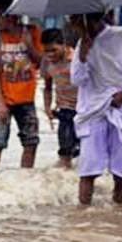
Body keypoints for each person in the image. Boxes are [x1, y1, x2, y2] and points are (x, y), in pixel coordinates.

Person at [69, 12, 122, 205]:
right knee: (88, 171)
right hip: (93, 112)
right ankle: (82, 219)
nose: (72, 25)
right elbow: (77, 80)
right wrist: (82, 55)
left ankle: (120, 218)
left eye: (74, 20)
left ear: (87, 19)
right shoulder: (83, 45)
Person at [0, 0, 43, 171]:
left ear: (11, 15)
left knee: (31, 142)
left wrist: (29, 45)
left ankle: (25, 180)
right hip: (4, 99)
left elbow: (41, 62)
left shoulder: (32, 32)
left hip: (26, 99)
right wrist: (0, 102)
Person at [40, 29, 79, 169]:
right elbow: (47, 87)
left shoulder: (77, 59)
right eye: (46, 51)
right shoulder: (46, 62)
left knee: (86, 150)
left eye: (54, 50)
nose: (50, 55)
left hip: (84, 109)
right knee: (65, 150)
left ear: (64, 45)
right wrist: (47, 108)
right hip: (65, 109)